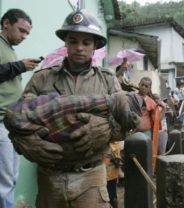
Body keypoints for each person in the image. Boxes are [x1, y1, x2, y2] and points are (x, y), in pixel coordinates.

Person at [5, 9, 124, 208]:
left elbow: (127, 122)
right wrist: (27, 143)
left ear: (95, 46)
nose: (79, 47)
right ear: (66, 43)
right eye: (73, 41)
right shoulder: (41, 78)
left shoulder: (108, 80)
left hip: (91, 177)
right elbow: (17, 120)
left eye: (86, 43)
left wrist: (107, 128)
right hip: (49, 179)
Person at [0, 8, 42, 208]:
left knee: (11, 176)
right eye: (22, 30)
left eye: (27, 33)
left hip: (11, 122)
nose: (24, 36)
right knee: (5, 181)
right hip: (0, 122)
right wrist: (19, 66)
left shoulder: (9, 48)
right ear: (6, 23)